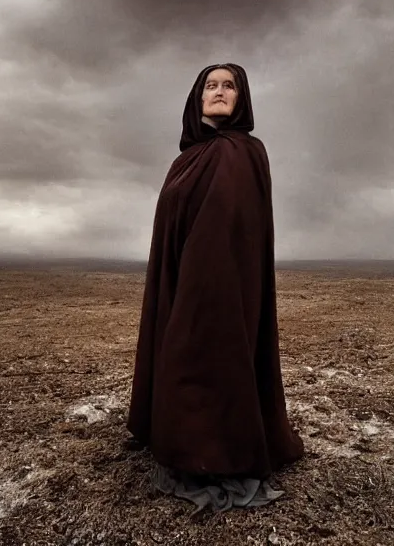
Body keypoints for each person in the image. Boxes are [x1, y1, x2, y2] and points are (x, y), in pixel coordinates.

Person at [126, 63, 304, 514]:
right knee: (177, 353)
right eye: (211, 85)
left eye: (230, 86)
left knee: (202, 357)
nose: (220, 92)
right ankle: (179, 434)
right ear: (197, 97)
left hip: (218, 284)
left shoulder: (243, 151)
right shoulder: (186, 158)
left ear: (242, 98)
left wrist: (203, 285)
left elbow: (230, 225)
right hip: (184, 275)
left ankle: (216, 453)